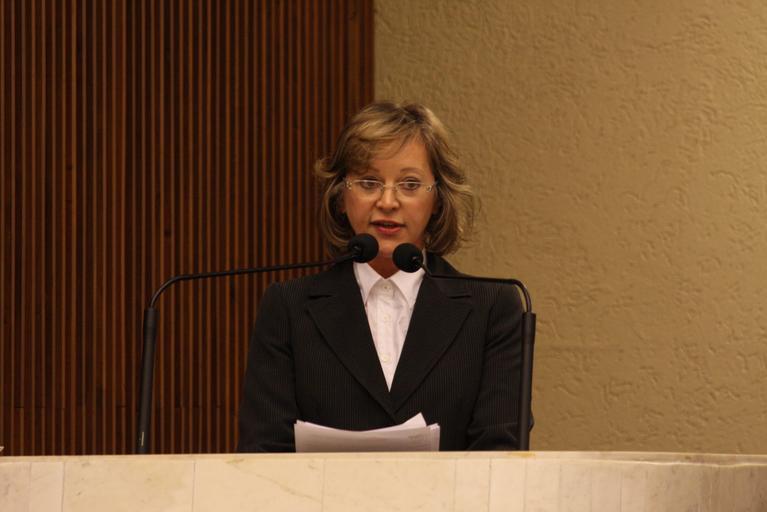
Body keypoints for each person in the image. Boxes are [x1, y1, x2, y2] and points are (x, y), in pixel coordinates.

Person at [237, 101, 522, 451]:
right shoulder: (289, 308)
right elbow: (262, 451)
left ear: (438, 200)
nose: (387, 201)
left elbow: (500, 453)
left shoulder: (492, 308)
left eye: (410, 184)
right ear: (341, 196)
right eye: (369, 182)